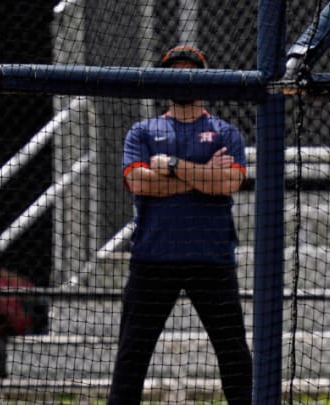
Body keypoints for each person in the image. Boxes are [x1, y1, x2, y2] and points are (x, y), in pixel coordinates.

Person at [108, 45, 252, 404]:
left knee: (234, 355)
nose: (183, 77)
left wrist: (171, 165)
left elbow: (229, 183)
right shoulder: (143, 131)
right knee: (131, 356)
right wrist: (202, 176)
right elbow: (139, 182)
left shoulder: (225, 133)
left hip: (212, 257)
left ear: (203, 78)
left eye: (191, 70)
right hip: (153, 258)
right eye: (175, 71)